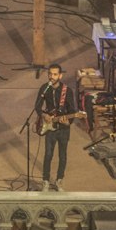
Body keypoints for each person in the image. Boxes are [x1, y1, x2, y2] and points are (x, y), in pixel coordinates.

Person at [35, 62, 77, 190]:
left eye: (54, 74)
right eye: (50, 74)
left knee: (62, 155)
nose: (51, 77)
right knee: (48, 155)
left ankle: (59, 180)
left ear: (60, 76)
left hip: (63, 129)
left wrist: (67, 122)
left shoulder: (67, 91)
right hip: (49, 127)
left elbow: (72, 112)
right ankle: (46, 180)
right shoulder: (44, 88)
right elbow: (37, 106)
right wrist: (43, 115)